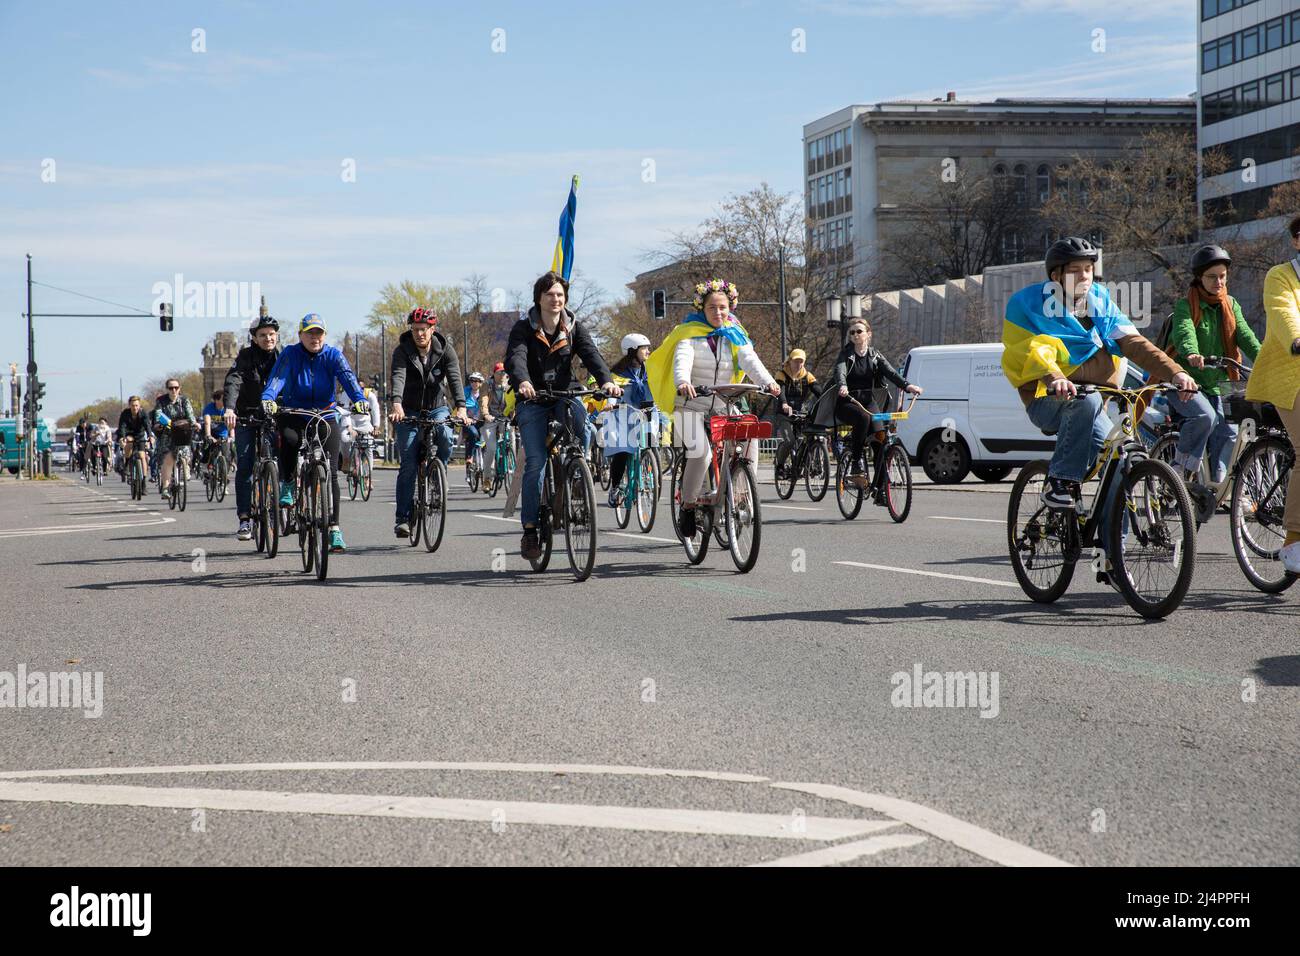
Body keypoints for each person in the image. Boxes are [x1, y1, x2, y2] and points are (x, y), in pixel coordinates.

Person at [1001, 237, 1197, 582]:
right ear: (1056, 276)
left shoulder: (1100, 302)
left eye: (1089, 270)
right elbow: (1029, 350)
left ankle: (1112, 559)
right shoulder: (1028, 304)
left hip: (1093, 401)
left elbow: (1135, 344)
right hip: (1047, 398)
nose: (1085, 276)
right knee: (1086, 400)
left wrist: (1176, 372)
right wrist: (1056, 376)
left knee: (1121, 467)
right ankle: (1059, 484)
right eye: (1076, 270)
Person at [646, 278, 781, 538]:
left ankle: (741, 490)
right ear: (702, 309)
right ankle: (687, 505)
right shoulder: (689, 334)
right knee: (701, 453)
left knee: (749, 435)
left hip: (722, 403)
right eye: (712, 308)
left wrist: (769, 382)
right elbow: (681, 361)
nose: (718, 313)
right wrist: (683, 382)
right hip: (689, 404)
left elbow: (751, 361)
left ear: (730, 307)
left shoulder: (735, 334)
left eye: (723, 307)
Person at [506, 270, 621, 559]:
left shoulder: (575, 327)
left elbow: (591, 355)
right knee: (537, 461)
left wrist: (606, 380)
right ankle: (531, 529)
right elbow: (515, 358)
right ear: (539, 299)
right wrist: (523, 381)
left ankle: (576, 476)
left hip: (564, 392)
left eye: (560, 294)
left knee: (584, 428)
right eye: (549, 295)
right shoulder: (523, 328)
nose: (555, 299)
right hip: (532, 397)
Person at [260, 313, 369, 553]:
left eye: (318, 333)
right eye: (309, 333)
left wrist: (359, 399)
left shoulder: (332, 355)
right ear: (300, 335)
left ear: (324, 336)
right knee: (288, 439)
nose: (314, 337)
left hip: (324, 414)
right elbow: (278, 378)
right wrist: (268, 398)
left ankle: (334, 530)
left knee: (330, 472)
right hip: (294, 412)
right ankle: (288, 483)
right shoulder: (290, 353)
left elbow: (348, 379)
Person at [1164, 244, 1261, 485]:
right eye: (1212, 277)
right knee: (1205, 417)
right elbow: (1184, 332)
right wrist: (1192, 354)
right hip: (1187, 380)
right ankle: (1180, 468)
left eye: (1222, 276)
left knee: (1231, 432)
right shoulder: (1185, 305)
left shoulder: (1231, 304)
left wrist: (1266, 360)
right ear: (1199, 278)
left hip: (1223, 379)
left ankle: (1220, 487)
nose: (1218, 282)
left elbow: (1245, 336)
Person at [1245, 216, 1300, 572]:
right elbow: (1283, 315)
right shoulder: (1280, 276)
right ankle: (1295, 541)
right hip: (1289, 377)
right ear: (1298, 240)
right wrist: (1297, 339)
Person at [389, 306, 469, 538]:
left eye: (423, 330)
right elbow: (398, 377)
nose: (419, 334)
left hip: (437, 407)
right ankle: (402, 519)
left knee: (445, 433)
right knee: (408, 462)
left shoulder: (445, 350)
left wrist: (461, 407)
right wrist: (396, 404)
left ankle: (438, 472)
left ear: (432, 329)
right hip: (409, 410)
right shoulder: (402, 351)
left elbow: (454, 378)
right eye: (415, 330)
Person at [831, 319, 922, 501]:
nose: (855, 335)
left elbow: (891, 373)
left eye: (859, 331)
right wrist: (842, 385)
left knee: (881, 441)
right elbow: (839, 371)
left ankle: (879, 490)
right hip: (847, 400)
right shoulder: (845, 354)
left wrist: (908, 386)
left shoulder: (874, 355)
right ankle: (856, 462)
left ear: (868, 334)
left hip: (868, 400)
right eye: (852, 332)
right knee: (864, 418)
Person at [223, 314, 282, 541]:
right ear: (255, 338)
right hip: (247, 415)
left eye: (271, 334)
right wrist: (229, 409)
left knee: (285, 454)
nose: (268, 338)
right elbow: (233, 380)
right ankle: (245, 518)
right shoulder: (246, 356)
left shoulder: (283, 356)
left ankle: (284, 501)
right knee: (246, 465)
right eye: (263, 335)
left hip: (275, 414)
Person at [603, 333, 653, 508]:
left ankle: (649, 469)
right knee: (623, 451)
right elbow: (612, 392)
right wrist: (610, 404)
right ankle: (615, 487)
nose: (648, 351)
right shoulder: (618, 373)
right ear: (633, 351)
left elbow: (657, 388)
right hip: (623, 414)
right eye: (644, 348)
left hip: (645, 411)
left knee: (652, 442)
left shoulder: (650, 369)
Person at [152, 379, 197, 500]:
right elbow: (158, 415)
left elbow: (190, 415)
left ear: (179, 388)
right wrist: (158, 424)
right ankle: (166, 488)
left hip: (182, 432)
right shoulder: (161, 401)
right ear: (167, 389)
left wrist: (195, 424)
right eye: (171, 388)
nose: (174, 390)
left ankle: (185, 470)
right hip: (167, 433)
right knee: (168, 459)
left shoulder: (184, 401)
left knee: (186, 453)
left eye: (176, 388)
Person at [481, 362, 510, 494]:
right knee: (491, 448)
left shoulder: (509, 385)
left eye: (504, 372)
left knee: (512, 442)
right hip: (491, 419)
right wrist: (486, 414)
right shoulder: (487, 385)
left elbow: (513, 401)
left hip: (505, 418)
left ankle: (511, 471)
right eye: (500, 372)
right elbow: (484, 400)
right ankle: (487, 479)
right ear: (494, 374)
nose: (503, 374)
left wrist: (515, 415)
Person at [116, 396, 151, 478]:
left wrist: (150, 436)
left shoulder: (143, 413)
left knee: (142, 456)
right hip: (128, 434)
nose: (135, 407)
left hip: (139, 435)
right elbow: (122, 426)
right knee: (128, 444)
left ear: (139, 406)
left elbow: (147, 425)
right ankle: (127, 464)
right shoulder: (125, 413)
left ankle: (143, 481)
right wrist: (123, 437)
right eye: (133, 405)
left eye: (136, 405)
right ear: (129, 405)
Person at [463, 371, 488, 484]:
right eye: (472, 380)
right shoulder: (466, 391)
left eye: (476, 381)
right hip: (468, 421)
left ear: (481, 383)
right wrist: (466, 417)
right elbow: (462, 405)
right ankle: (469, 460)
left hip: (481, 421)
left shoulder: (484, 392)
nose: (474, 383)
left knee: (487, 439)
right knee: (473, 435)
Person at [200, 389, 231, 478]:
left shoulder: (227, 409)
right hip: (211, 432)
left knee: (227, 455)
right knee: (208, 446)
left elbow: (231, 424)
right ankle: (205, 466)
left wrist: (231, 436)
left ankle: (224, 477)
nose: (225, 401)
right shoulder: (209, 408)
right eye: (223, 399)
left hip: (223, 434)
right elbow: (207, 422)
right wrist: (209, 435)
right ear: (216, 400)